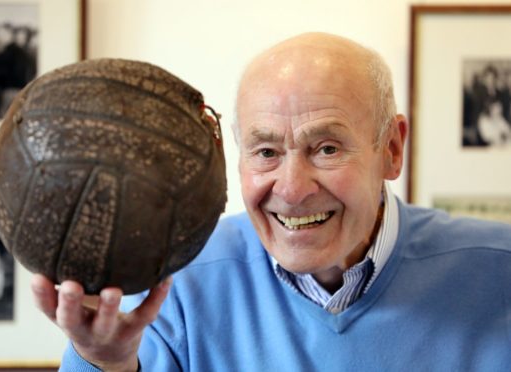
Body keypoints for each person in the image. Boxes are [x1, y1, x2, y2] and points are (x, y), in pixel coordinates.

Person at [31, 33, 511, 371]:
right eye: (266, 152)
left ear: (391, 149)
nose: (292, 188)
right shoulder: (176, 281)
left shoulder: (499, 275)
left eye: (326, 148)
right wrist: (105, 363)